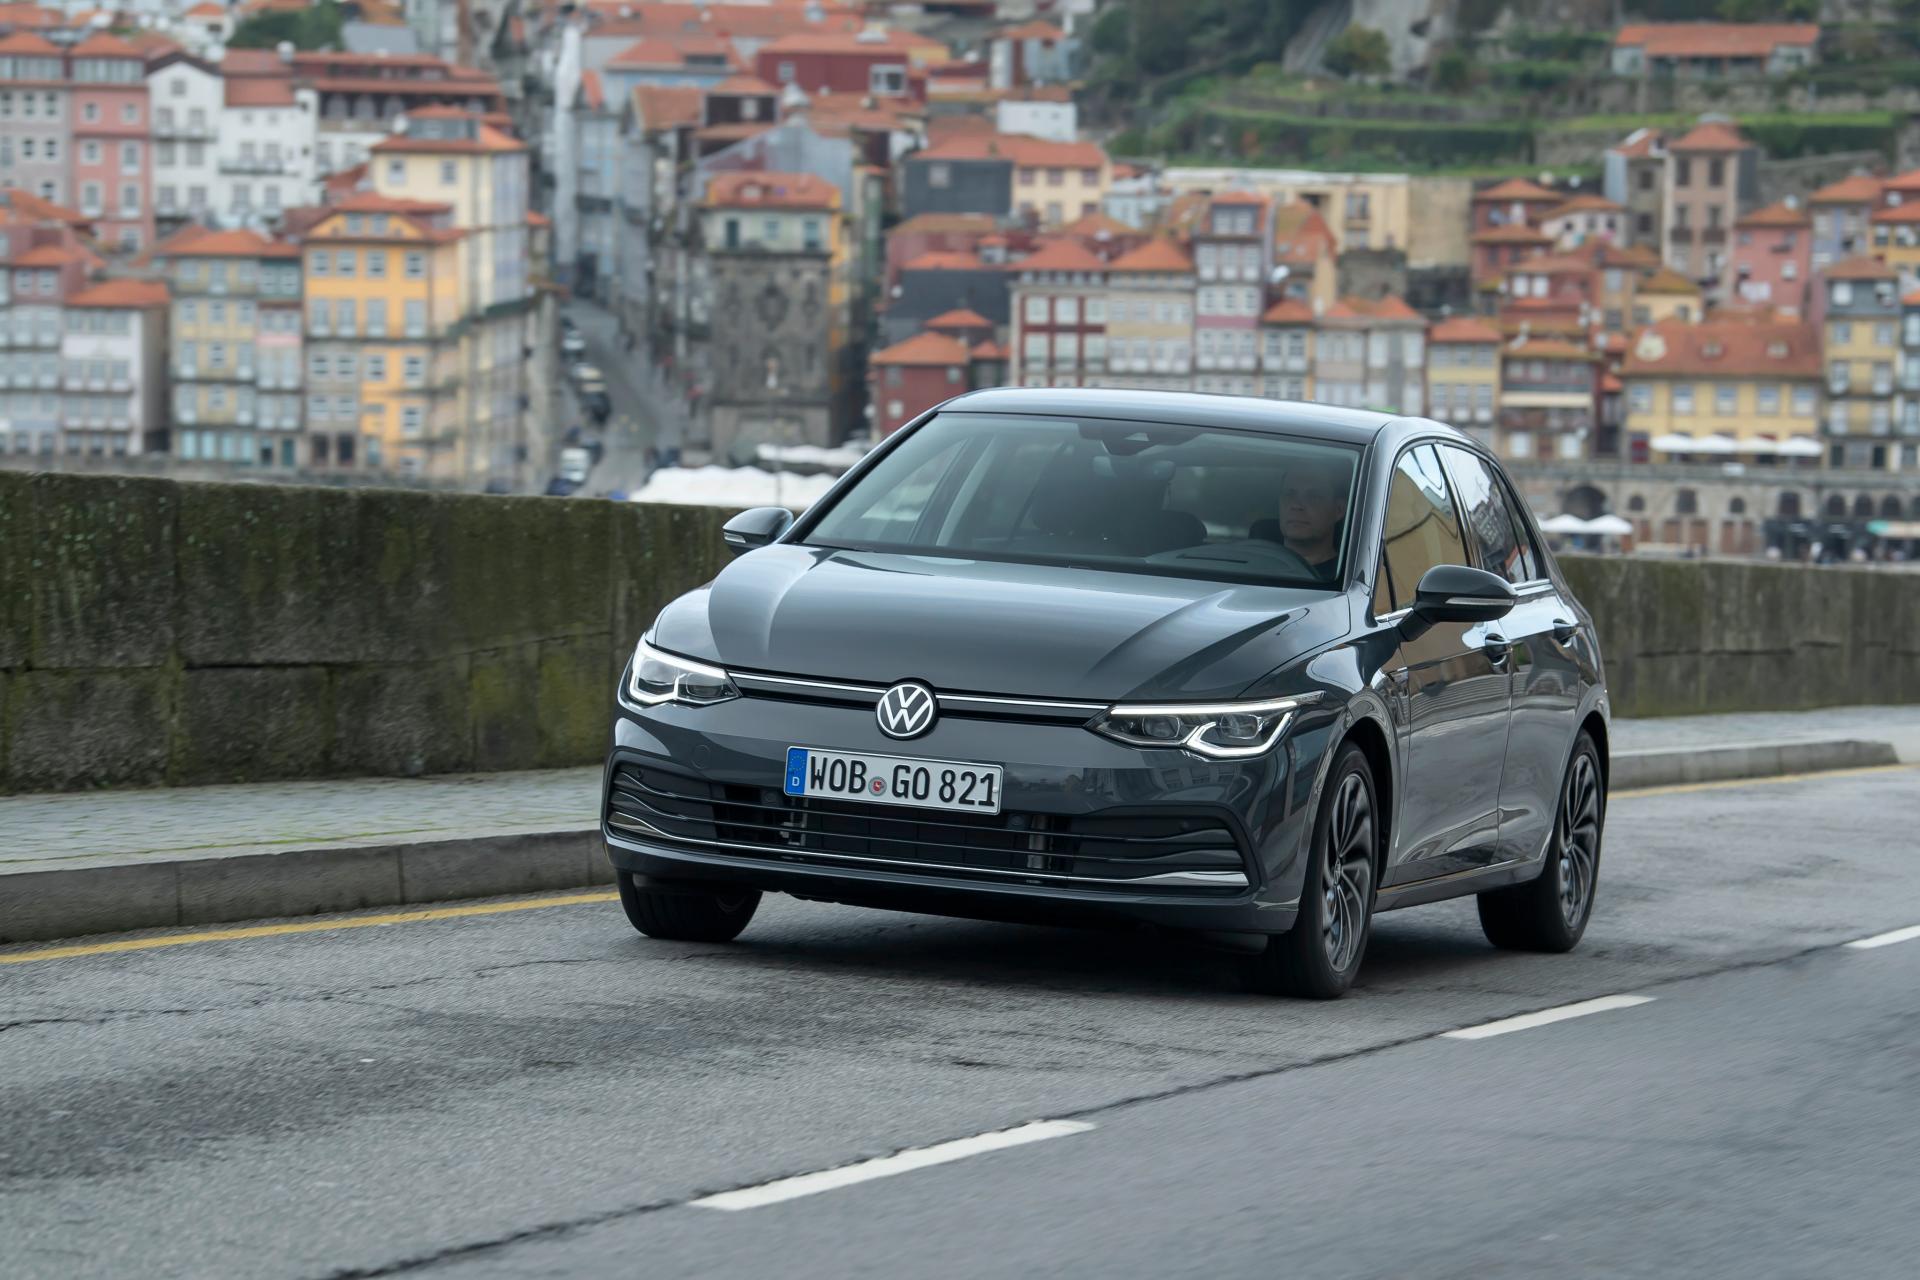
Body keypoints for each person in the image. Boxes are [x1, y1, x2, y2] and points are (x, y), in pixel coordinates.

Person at [1270, 457, 1349, 580]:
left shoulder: (1347, 578)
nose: (1296, 505)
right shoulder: (1254, 569)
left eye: (1313, 497)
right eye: (1289, 494)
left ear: (1339, 510)